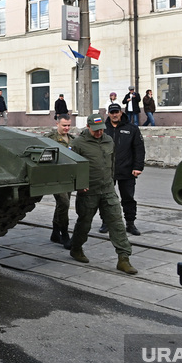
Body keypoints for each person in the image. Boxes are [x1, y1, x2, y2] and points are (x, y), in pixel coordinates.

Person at [68, 114, 137, 274]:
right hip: (88, 191)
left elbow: (112, 163)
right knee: (84, 222)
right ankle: (76, 248)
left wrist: (111, 182)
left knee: (117, 223)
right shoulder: (78, 143)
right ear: (88, 127)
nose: (99, 133)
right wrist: (78, 184)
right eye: (96, 130)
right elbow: (70, 166)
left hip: (107, 190)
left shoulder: (108, 140)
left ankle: (124, 259)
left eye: (101, 130)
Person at [97, 103, 145, 236]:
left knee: (128, 198)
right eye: (112, 112)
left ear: (121, 112)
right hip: (107, 171)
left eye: (116, 112)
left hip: (127, 170)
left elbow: (139, 149)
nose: (114, 115)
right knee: (105, 198)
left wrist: (138, 167)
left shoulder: (132, 128)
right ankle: (105, 222)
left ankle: (130, 223)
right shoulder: (102, 128)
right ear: (108, 113)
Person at [45, 114, 72, 246]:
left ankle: (55, 232)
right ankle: (64, 233)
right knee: (64, 203)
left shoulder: (72, 139)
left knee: (62, 205)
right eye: (64, 125)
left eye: (68, 125)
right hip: (56, 177)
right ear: (57, 124)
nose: (67, 128)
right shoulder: (50, 139)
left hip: (69, 176)